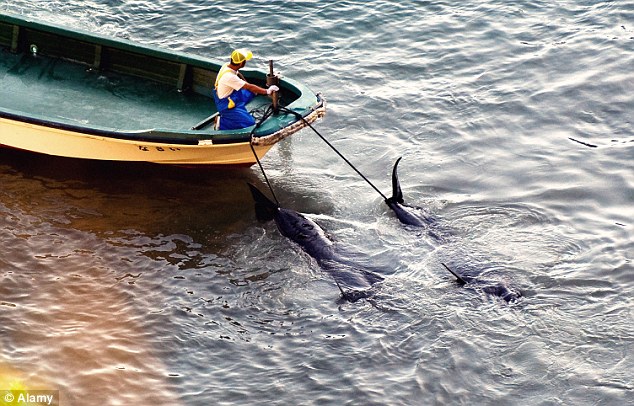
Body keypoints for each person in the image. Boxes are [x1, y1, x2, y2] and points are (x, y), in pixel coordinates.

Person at [213, 48, 279, 130]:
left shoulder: (227, 66)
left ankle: (239, 110)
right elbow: (250, 87)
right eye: (245, 60)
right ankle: (221, 122)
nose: (245, 62)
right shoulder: (229, 77)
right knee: (249, 123)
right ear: (241, 63)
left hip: (231, 95)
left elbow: (239, 75)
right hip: (226, 104)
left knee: (251, 92)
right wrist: (267, 91)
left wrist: (247, 85)